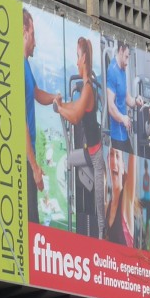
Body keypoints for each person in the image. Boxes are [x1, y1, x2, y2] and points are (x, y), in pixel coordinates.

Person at [54, 37, 105, 238]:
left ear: (83, 58)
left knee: (100, 210)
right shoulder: (85, 89)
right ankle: (73, 209)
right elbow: (74, 107)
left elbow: (75, 117)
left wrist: (60, 109)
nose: (76, 62)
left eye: (77, 56)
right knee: (69, 160)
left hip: (96, 156)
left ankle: (101, 237)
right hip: (88, 153)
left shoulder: (88, 89)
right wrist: (61, 105)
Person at [23, 10, 57, 225]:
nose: (35, 42)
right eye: (33, 34)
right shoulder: (17, 64)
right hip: (24, 157)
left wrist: (55, 98)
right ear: (24, 32)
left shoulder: (26, 65)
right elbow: (22, 124)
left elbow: (36, 93)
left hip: (29, 154)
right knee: (30, 222)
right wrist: (34, 166)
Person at [104, 43, 136, 247]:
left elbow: (126, 98)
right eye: (126, 56)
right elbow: (111, 106)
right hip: (117, 133)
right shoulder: (112, 71)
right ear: (119, 52)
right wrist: (123, 118)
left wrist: (136, 102)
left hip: (125, 133)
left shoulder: (123, 71)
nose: (127, 60)